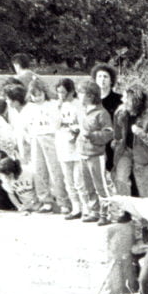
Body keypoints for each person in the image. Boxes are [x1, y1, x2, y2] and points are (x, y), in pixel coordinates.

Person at [22, 80, 69, 214]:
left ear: (44, 93)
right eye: (34, 95)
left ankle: (63, 201)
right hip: (36, 139)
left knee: (55, 170)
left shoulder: (53, 105)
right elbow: (24, 127)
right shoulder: (28, 108)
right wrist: (28, 138)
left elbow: (59, 121)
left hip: (51, 137)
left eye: (39, 94)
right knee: (39, 170)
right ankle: (46, 201)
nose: (37, 97)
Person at [112, 83, 148, 199]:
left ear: (135, 101)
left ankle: (144, 215)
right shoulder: (120, 112)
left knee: (144, 189)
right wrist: (116, 143)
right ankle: (126, 211)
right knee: (120, 180)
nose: (122, 100)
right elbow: (117, 133)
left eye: (126, 98)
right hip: (125, 151)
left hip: (143, 155)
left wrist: (141, 133)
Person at [77, 80, 114, 224]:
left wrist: (92, 135)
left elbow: (108, 133)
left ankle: (106, 214)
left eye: (81, 93)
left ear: (91, 96)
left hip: (96, 155)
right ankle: (94, 211)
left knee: (100, 185)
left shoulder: (102, 113)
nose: (79, 96)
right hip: (82, 153)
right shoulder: (82, 111)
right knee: (88, 185)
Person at [54, 78, 83, 219]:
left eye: (63, 92)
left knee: (79, 179)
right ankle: (75, 207)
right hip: (63, 144)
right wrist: (58, 108)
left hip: (77, 145)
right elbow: (55, 126)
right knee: (68, 179)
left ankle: (85, 208)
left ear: (71, 91)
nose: (61, 95)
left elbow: (82, 124)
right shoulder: (57, 106)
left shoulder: (78, 105)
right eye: (58, 92)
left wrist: (75, 131)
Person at [91, 63, 122, 176]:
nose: (102, 79)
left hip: (114, 142)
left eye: (105, 76)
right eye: (99, 76)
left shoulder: (119, 99)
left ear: (111, 80)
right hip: (97, 142)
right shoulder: (91, 100)